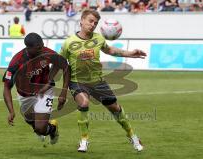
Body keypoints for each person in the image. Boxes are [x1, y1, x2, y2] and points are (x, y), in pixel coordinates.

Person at [60, 9, 146, 152]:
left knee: (115, 109)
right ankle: (84, 140)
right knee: (84, 102)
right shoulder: (69, 43)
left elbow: (111, 50)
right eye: (90, 21)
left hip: (98, 82)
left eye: (96, 22)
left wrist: (131, 54)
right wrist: (62, 90)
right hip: (77, 82)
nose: (93, 24)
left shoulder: (99, 39)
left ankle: (132, 135)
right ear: (81, 21)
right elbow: (61, 64)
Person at [3, 32, 70, 144]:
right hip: (25, 96)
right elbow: (6, 88)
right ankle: (47, 128)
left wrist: (62, 91)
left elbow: (65, 66)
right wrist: (11, 111)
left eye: (42, 45)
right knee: (30, 121)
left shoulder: (46, 52)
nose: (42, 49)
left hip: (45, 91)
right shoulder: (17, 62)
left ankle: (51, 129)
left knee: (40, 128)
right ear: (29, 48)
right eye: (38, 48)